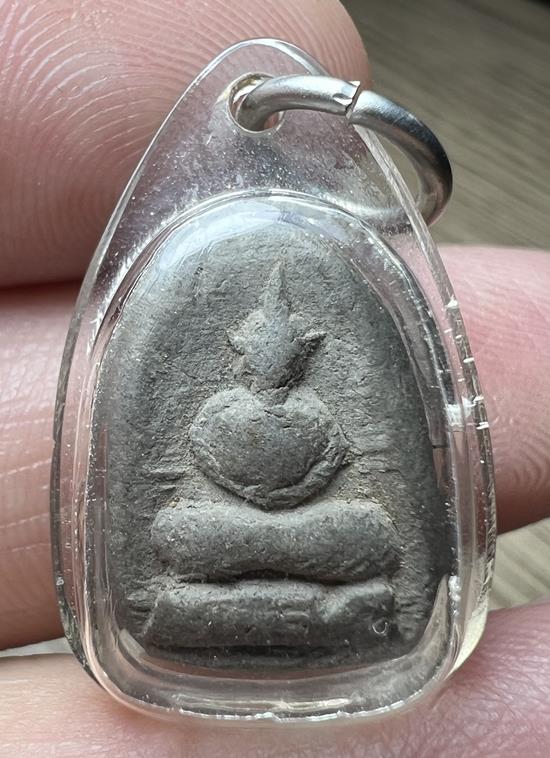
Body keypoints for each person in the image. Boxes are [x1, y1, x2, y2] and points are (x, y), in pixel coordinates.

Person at [1, 1, 549, 754]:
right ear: (239, 351)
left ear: (305, 352)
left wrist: (292, 507)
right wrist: (261, 510)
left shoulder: (321, 414)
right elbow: (202, 474)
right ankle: (289, 605)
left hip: (312, 534)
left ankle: (316, 608)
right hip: (224, 535)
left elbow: (338, 471)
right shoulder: (215, 410)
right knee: (178, 532)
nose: (272, 366)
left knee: (364, 532)